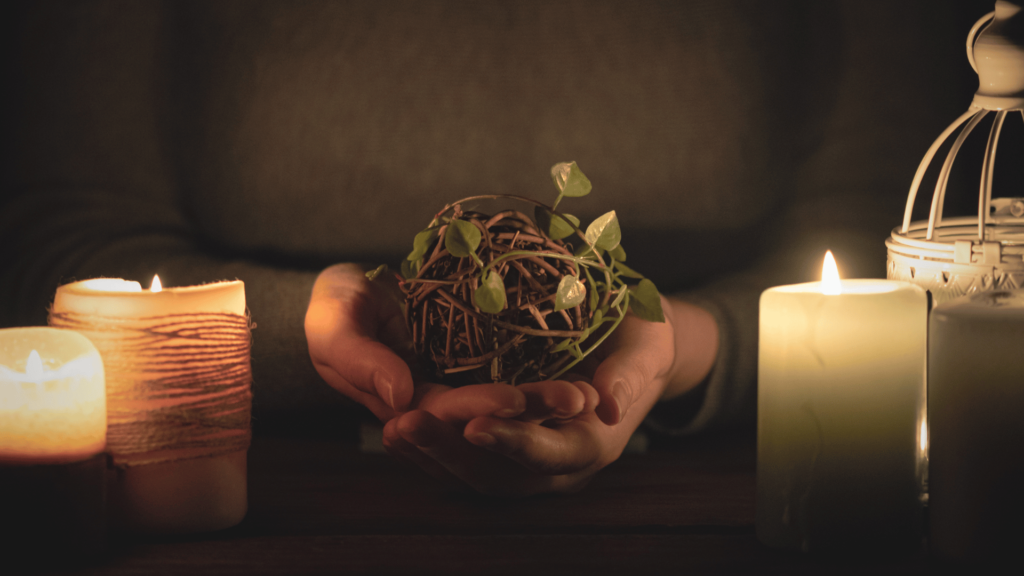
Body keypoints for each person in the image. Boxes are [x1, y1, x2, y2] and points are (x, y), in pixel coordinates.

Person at [1, 0, 977, 495]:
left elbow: (895, 241)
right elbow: (62, 231)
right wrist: (304, 337)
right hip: (247, 483)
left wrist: (683, 346)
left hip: (741, 475)